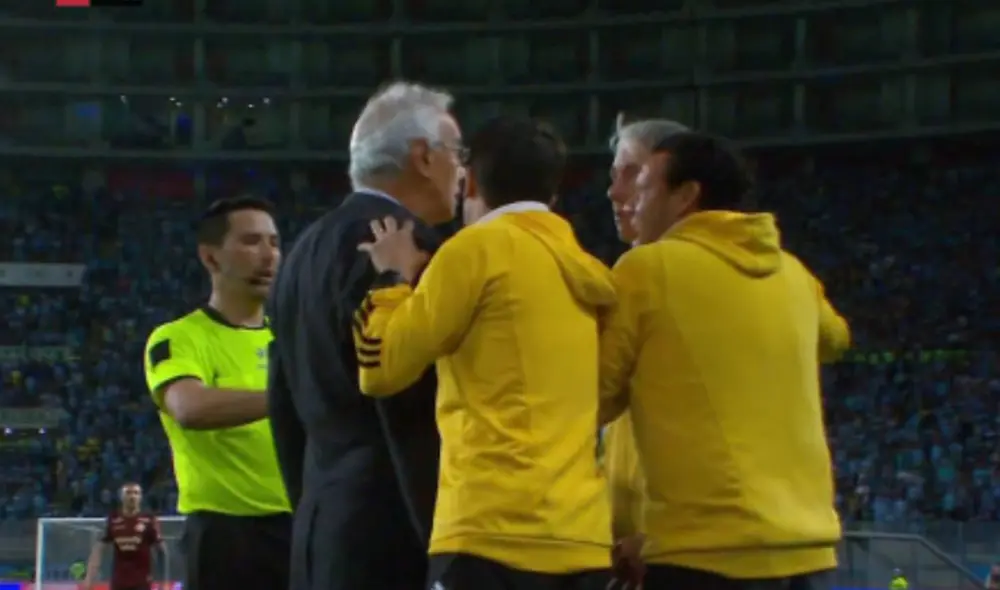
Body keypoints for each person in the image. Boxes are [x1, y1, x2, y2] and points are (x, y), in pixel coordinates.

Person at [353, 115, 614, 590]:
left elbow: (380, 368)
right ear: (553, 192)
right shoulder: (589, 270)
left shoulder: (474, 251)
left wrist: (393, 277)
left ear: (470, 180)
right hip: (583, 538)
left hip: (489, 534)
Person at [599, 131, 851, 590]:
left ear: (686, 196)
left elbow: (593, 396)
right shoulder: (794, 274)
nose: (633, 201)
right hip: (808, 552)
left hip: (706, 554)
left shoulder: (647, 270)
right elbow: (836, 339)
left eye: (645, 187)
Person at [267, 81, 462, 590]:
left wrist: (311, 510)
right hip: (393, 535)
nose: (462, 170)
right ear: (423, 157)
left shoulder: (302, 251)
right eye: (456, 152)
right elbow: (407, 406)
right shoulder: (407, 246)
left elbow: (282, 406)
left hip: (323, 526)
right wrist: (440, 546)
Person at [142, 196, 290, 590]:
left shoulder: (292, 338)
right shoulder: (179, 337)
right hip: (227, 537)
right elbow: (189, 407)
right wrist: (289, 397)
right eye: (251, 241)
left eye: (274, 243)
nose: (269, 255)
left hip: (301, 525)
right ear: (210, 257)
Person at [603, 113, 689, 589]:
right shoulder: (635, 272)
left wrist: (658, 536)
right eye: (613, 175)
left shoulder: (694, 281)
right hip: (630, 549)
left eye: (631, 174)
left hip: (670, 549)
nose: (614, 192)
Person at [84, 483, 164, 590]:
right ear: (121, 497)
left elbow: (161, 551)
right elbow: (98, 549)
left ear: (140, 497)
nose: (132, 496)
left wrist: (162, 582)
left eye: (136, 493)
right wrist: (89, 578)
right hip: (119, 582)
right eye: (128, 493)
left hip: (142, 583)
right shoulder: (113, 519)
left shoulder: (149, 520)